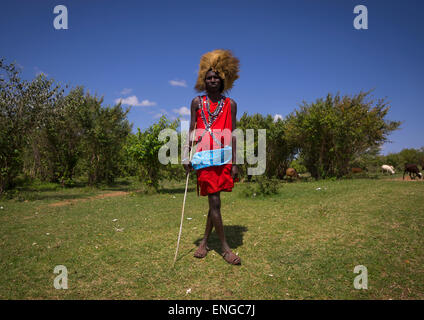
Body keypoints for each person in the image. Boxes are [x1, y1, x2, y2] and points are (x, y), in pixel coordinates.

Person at [182, 49, 241, 265]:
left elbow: (233, 134)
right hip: (204, 159)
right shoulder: (197, 102)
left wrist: (235, 162)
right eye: (209, 77)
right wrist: (186, 154)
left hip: (224, 159)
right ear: (203, 81)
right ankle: (225, 249)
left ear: (222, 79)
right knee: (215, 201)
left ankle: (204, 242)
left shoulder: (230, 104)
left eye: (216, 76)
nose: (213, 80)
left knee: (214, 202)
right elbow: (191, 129)